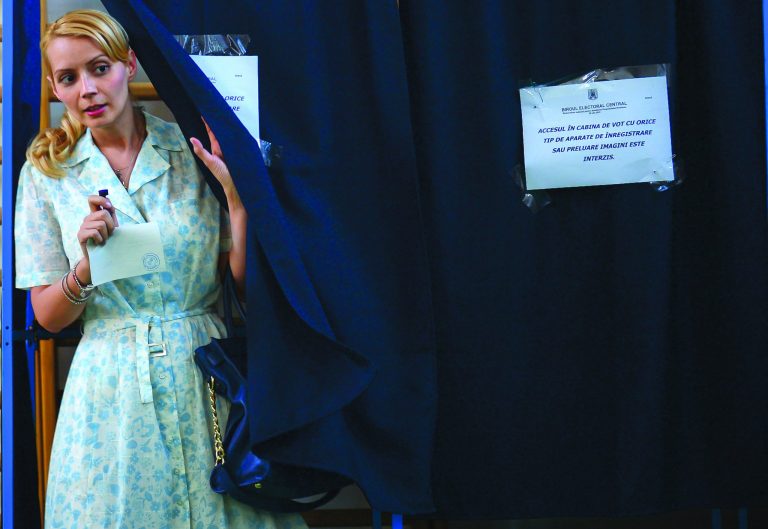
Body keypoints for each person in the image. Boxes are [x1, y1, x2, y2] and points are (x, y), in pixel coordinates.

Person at [15, 9, 307, 528]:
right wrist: (84, 269)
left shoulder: (191, 151)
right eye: (68, 78)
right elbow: (47, 315)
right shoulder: (47, 174)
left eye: (99, 67)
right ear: (54, 88)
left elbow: (244, 288)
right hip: (107, 391)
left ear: (129, 64)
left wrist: (238, 200)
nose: (87, 89)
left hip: (205, 376)